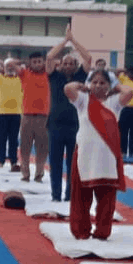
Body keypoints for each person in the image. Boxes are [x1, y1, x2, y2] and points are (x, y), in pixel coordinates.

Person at [64, 71, 133, 239]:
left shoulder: (114, 102)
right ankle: (81, 230)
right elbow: (68, 88)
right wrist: (83, 86)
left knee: (106, 197)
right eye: (94, 82)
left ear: (109, 85)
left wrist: (116, 86)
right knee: (81, 195)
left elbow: (130, 92)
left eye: (102, 83)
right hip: (85, 155)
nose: (98, 85)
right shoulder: (83, 100)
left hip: (107, 157)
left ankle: (102, 232)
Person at [46, 24, 92, 202]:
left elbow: (88, 58)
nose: (68, 65)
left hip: (75, 126)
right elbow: (50, 57)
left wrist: (74, 41)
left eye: (71, 63)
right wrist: (65, 41)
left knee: (73, 164)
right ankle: (55, 195)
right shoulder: (54, 76)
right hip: (55, 125)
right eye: (65, 63)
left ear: (75, 66)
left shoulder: (80, 77)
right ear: (60, 65)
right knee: (55, 163)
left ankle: (70, 196)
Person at [18, 51, 50, 182]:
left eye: (39, 61)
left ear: (44, 62)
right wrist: (23, 63)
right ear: (30, 63)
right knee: (25, 146)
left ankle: (39, 174)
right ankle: (25, 174)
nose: (37, 64)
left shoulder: (48, 74)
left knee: (42, 147)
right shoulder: (24, 73)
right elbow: (10, 65)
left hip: (44, 116)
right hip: (27, 115)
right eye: (34, 62)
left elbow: (55, 61)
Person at [0, 58, 23, 171]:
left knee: (14, 139)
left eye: (12, 66)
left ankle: (14, 161)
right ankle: (1, 160)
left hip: (16, 113)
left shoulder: (20, 78)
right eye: (8, 66)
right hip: (2, 113)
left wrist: (15, 65)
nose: (10, 68)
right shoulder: (0, 78)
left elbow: (24, 69)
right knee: (1, 139)